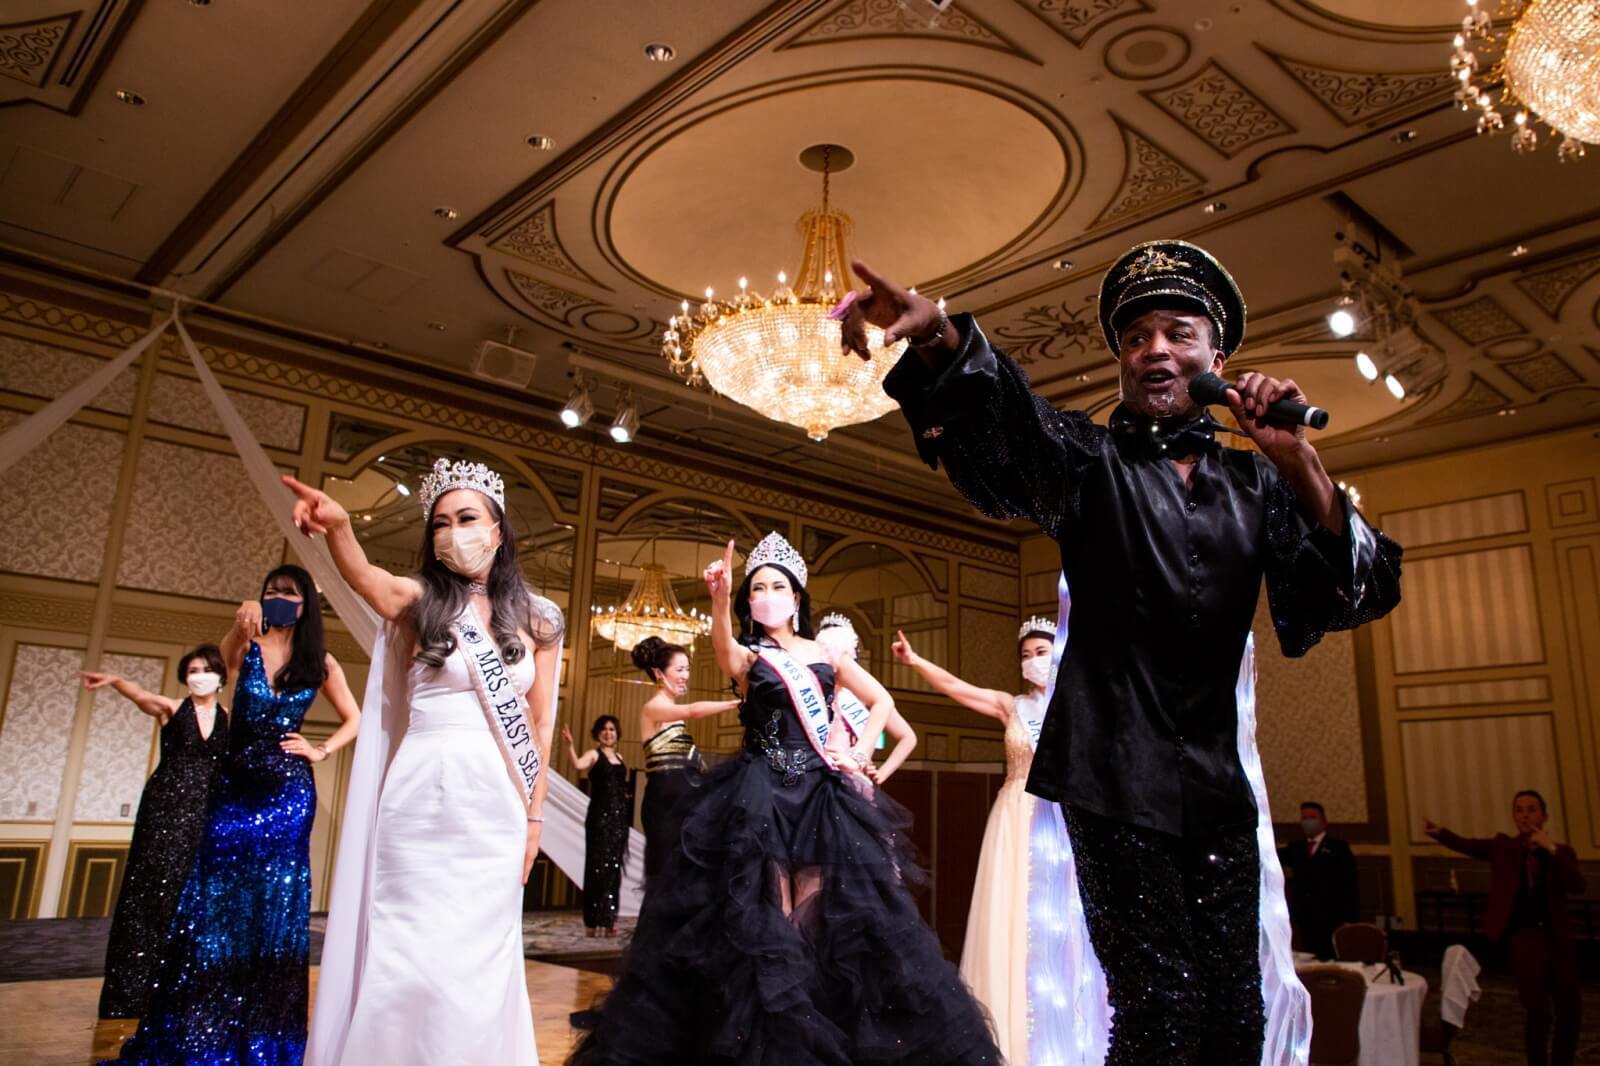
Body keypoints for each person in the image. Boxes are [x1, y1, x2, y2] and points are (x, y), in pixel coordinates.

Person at [844, 240, 1403, 1063]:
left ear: (1218, 359)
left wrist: (1299, 460)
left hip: (1216, 787)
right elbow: (1010, 422)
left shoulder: (1258, 484)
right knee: (1160, 1012)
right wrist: (940, 336)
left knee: (1235, 1015)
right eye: (1136, 337)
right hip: (1109, 776)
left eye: (1179, 333)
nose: (1155, 350)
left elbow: (1360, 590)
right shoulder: (1087, 462)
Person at [568, 533, 1002, 1065]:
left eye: (777, 586)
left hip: (821, 798)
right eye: (757, 589)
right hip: (759, 798)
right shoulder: (751, 655)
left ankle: (820, 1039)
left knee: (818, 925)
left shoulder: (824, 653)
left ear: (796, 598)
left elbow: (882, 700)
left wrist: (856, 752)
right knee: (768, 924)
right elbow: (723, 650)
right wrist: (719, 600)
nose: (767, 595)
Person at [296, 458, 564, 1066]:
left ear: (498, 529)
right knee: (410, 951)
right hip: (421, 795)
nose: (453, 533)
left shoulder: (541, 618)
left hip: (498, 801)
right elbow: (367, 579)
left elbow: (541, 723)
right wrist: (340, 528)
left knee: (482, 955)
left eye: (466, 518)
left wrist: (534, 817)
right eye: (441, 523)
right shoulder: (421, 599)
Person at [104, 566, 361, 1064]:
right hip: (236, 786)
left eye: (289, 593)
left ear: (307, 604)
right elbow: (219, 665)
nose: (279, 598)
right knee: (215, 902)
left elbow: (356, 717)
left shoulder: (321, 661)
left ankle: (263, 1037)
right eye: (271, 591)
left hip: (289, 793)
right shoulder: (249, 645)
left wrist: (321, 749)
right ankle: (201, 1032)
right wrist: (240, 621)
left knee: (275, 905)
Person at [891, 616, 1056, 1062]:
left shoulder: (1078, 707)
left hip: (1059, 820)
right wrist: (916, 661)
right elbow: (955, 687)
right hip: (1015, 816)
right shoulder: (1011, 705)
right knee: (1012, 915)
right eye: (1026, 655)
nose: (1033, 662)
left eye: (1041, 653)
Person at [82, 645, 231, 1019]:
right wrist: (116, 680)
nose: (199, 675)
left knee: (195, 893)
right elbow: (140, 695)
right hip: (166, 807)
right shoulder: (171, 708)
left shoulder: (229, 717)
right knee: (151, 890)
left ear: (220, 676)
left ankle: (185, 991)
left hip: (209, 810)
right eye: (192, 670)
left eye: (206, 669)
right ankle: (133, 992)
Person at [1426, 791, 1585, 1066]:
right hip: (1524, 937)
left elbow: (1578, 885)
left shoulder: (1561, 852)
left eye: (1531, 809)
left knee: (1570, 1011)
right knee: (1538, 1011)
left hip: (1558, 938)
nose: (1525, 815)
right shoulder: (1504, 847)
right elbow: (1469, 845)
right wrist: (1441, 833)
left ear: (1544, 816)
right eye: (1519, 810)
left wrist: (1550, 848)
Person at [629, 636, 739, 883]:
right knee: (667, 873)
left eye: (687, 669)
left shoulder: (671, 714)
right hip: (665, 804)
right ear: (658, 673)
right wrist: (734, 704)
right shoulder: (653, 708)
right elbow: (693, 710)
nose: (685, 676)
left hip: (685, 800)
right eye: (679, 670)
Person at [814, 612, 917, 787]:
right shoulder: (819, 688)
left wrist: (881, 773)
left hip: (851, 779)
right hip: (823, 770)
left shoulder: (868, 694)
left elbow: (908, 737)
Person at [564, 715, 631, 936]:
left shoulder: (620, 757)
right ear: (598, 733)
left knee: (613, 869)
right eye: (604, 729)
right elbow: (577, 765)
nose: (608, 733)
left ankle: (609, 921)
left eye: (612, 729)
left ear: (617, 733)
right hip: (599, 818)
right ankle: (592, 922)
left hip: (618, 820)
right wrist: (570, 745)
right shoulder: (593, 755)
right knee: (596, 868)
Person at [1277, 801, 1359, 959]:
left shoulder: (1338, 847)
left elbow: (1350, 884)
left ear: (1324, 821)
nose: (1308, 821)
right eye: (1304, 818)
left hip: (1331, 917)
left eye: (1312, 817)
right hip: (1303, 918)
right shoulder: (1296, 848)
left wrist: (1349, 919)